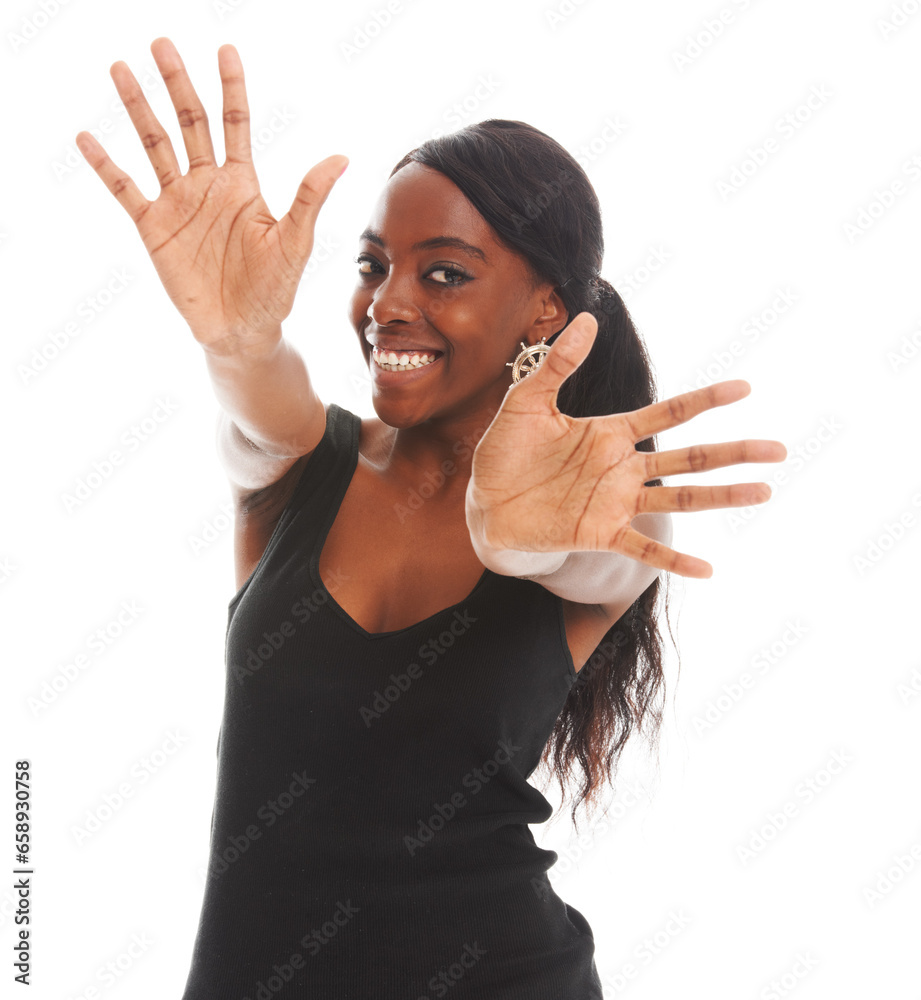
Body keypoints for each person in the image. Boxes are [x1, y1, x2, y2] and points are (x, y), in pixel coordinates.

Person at [76, 36, 786, 999]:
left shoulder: (600, 514)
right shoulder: (298, 468)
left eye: (443, 272)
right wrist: (237, 339)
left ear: (543, 308)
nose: (387, 304)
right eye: (373, 266)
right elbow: (260, 397)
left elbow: (601, 563)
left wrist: (516, 536)